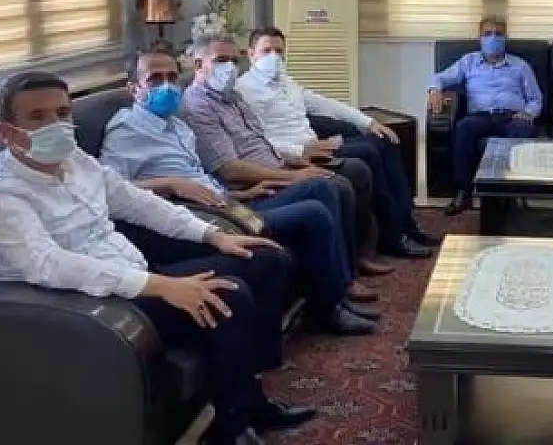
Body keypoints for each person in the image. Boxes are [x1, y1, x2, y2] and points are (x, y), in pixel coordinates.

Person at [0, 71, 317, 445]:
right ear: (6, 133)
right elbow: (48, 265)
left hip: (136, 274)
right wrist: (162, 286)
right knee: (229, 295)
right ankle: (231, 429)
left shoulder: (77, 161)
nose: (55, 125)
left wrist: (214, 235)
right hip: (87, 305)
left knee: (263, 258)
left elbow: (139, 204)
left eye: (62, 113)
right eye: (38, 117)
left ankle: (252, 395)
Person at [100, 48, 379, 333]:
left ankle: (340, 292)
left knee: (321, 187)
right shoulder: (126, 131)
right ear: (134, 89)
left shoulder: (176, 125)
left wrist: (242, 193)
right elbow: (110, 191)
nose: (167, 86)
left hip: (228, 201)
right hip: (201, 217)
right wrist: (169, 184)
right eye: (155, 79)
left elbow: (202, 177)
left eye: (172, 77)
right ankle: (328, 312)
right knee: (313, 213)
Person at [182, 35, 432, 260]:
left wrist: (367, 122)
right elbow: (238, 159)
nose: (274, 57)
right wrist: (298, 155)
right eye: (267, 51)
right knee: (356, 167)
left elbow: (318, 106)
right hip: (288, 156)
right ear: (252, 54)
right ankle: (379, 246)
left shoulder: (255, 91)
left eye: (279, 51)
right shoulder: (239, 90)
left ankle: (401, 227)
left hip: (298, 150)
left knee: (380, 143)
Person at [427, 15, 544, 215]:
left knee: (522, 130)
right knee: (463, 128)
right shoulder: (469, 62)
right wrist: (434, 90)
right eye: (488, 34)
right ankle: (463, 192)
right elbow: (439, 77)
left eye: (498, 34)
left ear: (506, 38)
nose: (493, 38)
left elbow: (536, 99)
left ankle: (510, 194)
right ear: (479, 37)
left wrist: (527, 114)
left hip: (512, 117)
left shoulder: (520, 66)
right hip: (481, 117)